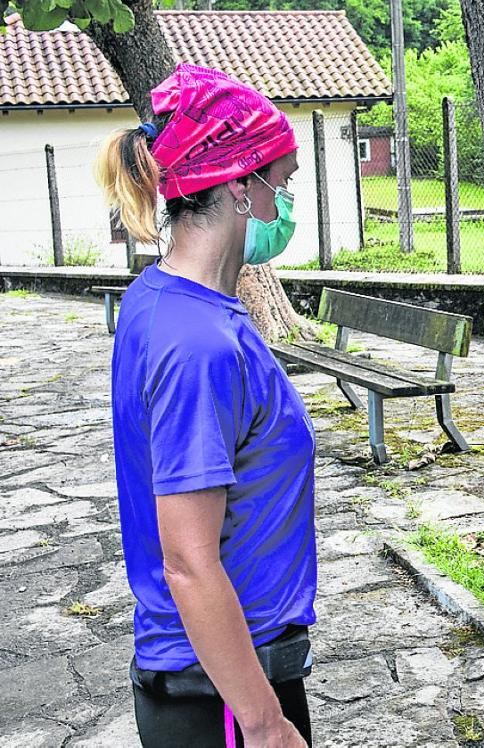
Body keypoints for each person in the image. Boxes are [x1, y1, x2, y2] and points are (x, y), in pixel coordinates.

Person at [97, 63, 316, 748]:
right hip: (222, 694)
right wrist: (264, 722)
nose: (283, 202)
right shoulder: (197, 343)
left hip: (227, 673)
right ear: (241, 185)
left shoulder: (166, 300)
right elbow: (188, 560)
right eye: (281, 182)